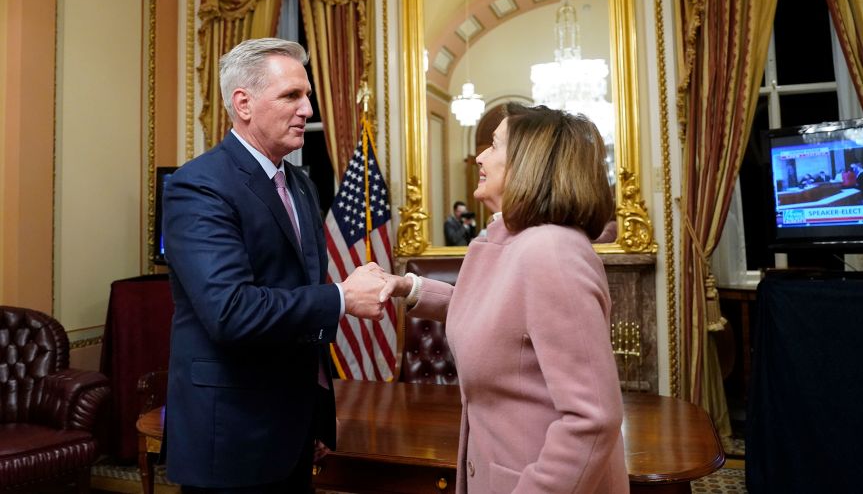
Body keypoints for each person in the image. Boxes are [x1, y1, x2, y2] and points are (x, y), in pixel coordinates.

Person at [162, 38, 388, 493]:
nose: (307, 108)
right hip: (231, 437)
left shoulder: (301, 184)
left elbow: (297, 295)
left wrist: (315, 417)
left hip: (294, 429)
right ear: (243, 104)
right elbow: (231, 312)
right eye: (291, 96)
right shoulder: (199, 186)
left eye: (307, 95)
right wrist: (343, 297)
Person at [382, 103, 629, 493]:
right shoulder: (513, 240)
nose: (479, 156)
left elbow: (593, 417)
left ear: (529, 163)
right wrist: (408, 288)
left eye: (494, 146)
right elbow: (501, 315)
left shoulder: (551, 251)